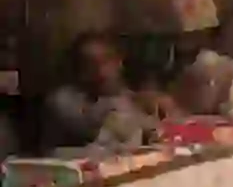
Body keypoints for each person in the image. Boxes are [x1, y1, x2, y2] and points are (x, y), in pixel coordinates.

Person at [42, 33, 177, 150]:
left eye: (106, 61)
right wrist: (139, 112)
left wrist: (162, 110)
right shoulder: (64, 99)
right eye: (90, 65)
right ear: (79, 71)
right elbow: (101, 125)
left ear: (119, 62)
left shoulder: (137, 98)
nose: (101, 71)